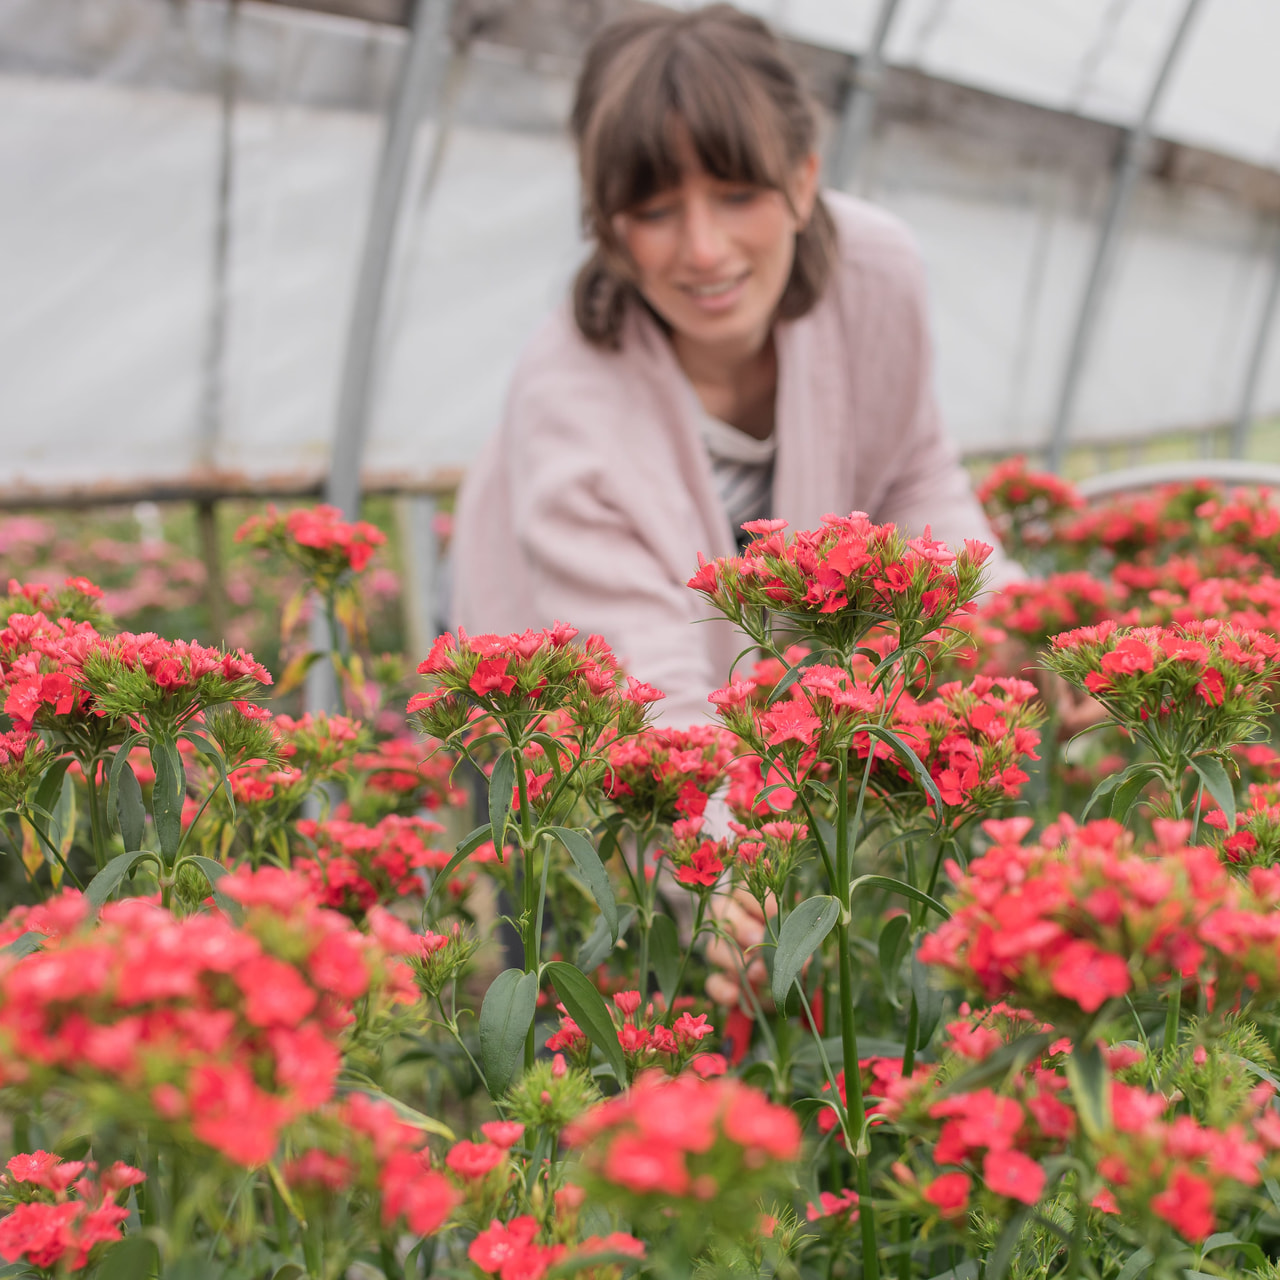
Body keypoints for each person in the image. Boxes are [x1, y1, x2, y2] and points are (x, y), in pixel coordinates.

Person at [452, 3, 1016, 725]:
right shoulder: (569, 397)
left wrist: (1010, 636)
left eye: (739, 195)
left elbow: (914, 478)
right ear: (609, 226)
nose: (705, 249)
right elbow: (653, 707)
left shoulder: (874, 279)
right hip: (562, 656)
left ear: (804, 181)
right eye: (656, 211)